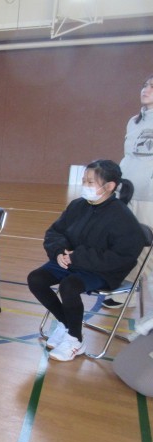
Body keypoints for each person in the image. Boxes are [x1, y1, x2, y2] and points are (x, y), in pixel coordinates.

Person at [27, 160, 145, 362]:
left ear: (109, 186)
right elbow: (55, 232)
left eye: (90, 182)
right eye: (84, 181)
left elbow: (122, 257)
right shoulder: (78, 205)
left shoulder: (122, 217)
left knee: (69, 286)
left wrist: (77, 257)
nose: (85, 185)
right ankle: (67, 324)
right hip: (71, 261)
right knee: (36, 279)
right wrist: (58, 252)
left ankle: (75, 339)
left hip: (102, 270)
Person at [103, 74, 153, 311]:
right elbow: (129, 156)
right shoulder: (134, 122)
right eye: (145, 85)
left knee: (146, 246)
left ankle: (138, 295)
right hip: (127, 193)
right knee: (124, 243)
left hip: (149, 197)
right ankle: (126, 292)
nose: (146, 89)